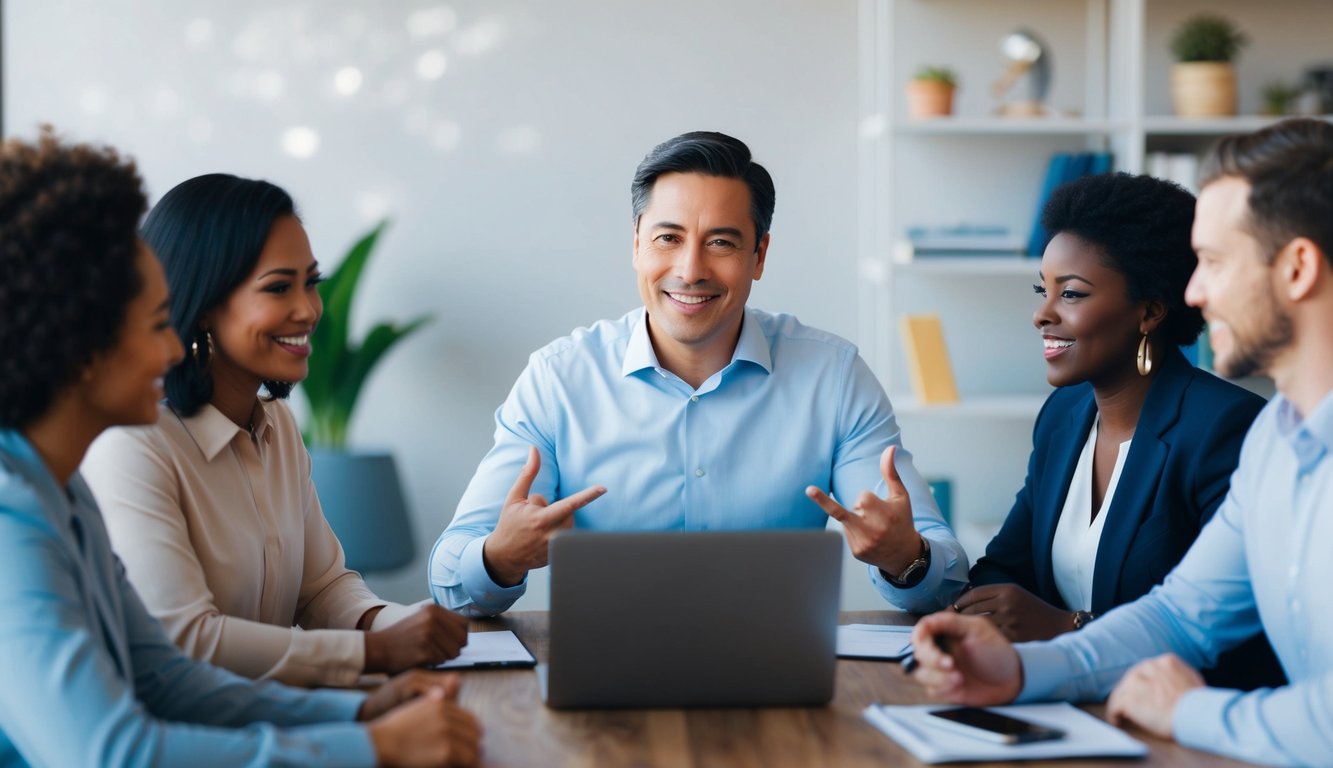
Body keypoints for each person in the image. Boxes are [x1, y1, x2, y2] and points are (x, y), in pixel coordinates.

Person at [0, 130, 479, 766]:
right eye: (153, 326)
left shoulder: (62, 490)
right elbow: (113, 751)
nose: (171, 350)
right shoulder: (15, 518)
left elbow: (166, 679)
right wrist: (367, 747)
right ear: (81, 341)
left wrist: (360, 711)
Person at [910, 117, 1333, 766]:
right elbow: (1180, 616)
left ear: (1298, 268)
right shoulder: (1276, 444)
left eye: (1214, 263)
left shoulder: (1231, 428)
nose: (1192, 291)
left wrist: (1184, 709)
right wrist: (1020, 672)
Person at [430, 131, 968, 616]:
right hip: (602, 679)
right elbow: (450, 577)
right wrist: (499, 558)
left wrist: (907, 557)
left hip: (779, 675)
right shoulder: (558, 380)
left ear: (759, 255)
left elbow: (945, 575)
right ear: (636, 244)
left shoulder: (835, 377)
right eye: (668, 238)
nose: (690, 270)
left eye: (721, 242)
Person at [81, 173, 469, 688]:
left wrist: (402, 624)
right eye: (279, 288)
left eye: (312, 282)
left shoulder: (278, 427)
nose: (308, 310)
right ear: (203, 305)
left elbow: (322, 588)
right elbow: (185, 639)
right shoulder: (133, 443)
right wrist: (372, 651)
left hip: (272, 719)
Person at [959, 172, 1282, 690]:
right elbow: (1002, 570)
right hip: (1052, 705)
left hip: (1173, 727)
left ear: (1150, 311)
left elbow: (1243, 641)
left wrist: (1068, 629)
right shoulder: (1063, 417)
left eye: (1073, 294)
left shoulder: (1225, 429)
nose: (1042, 314)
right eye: (1044, 290)